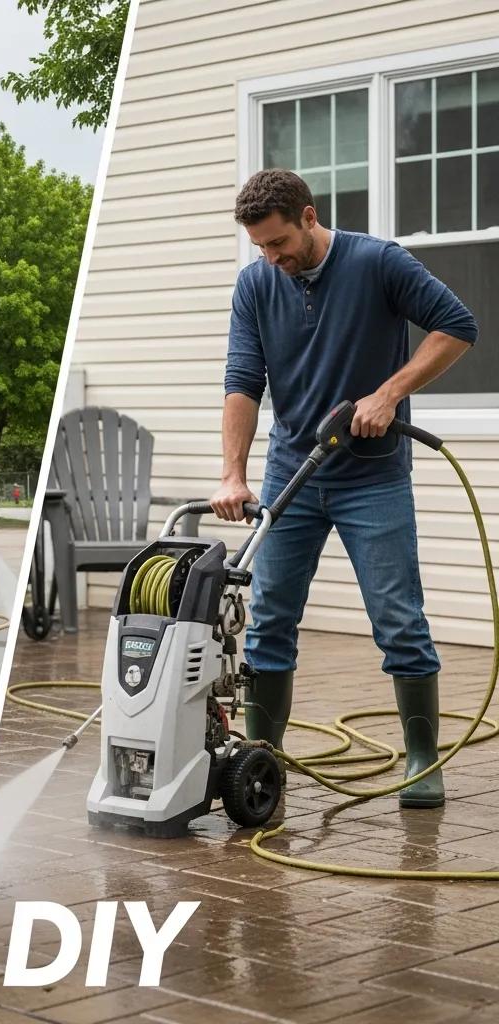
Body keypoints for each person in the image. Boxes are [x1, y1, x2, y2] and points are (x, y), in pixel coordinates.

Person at [209, 169, 477, 809]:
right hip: (291, 476)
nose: (272, 258)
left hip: (372, 475)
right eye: (261, 248)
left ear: (308, 215)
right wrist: (233, 473)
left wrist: (389, 393)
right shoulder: (256, 284)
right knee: (271, 619)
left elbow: (457, 326)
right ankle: (263, 760)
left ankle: (421, 759)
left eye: (279, 243)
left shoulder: (377, 262)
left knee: (398, 619)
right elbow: (243, 381)